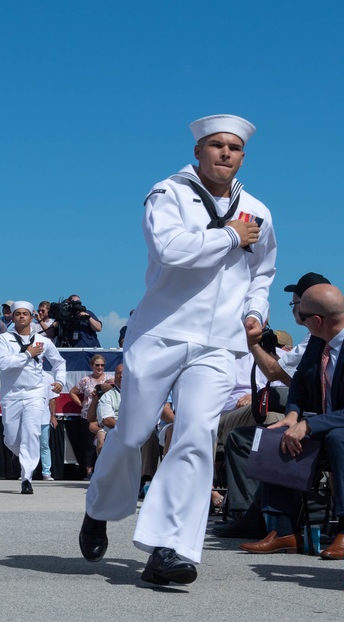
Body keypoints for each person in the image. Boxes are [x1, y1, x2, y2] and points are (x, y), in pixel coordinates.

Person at [79, 114, 276, 587]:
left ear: (243, 156)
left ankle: (168, 549)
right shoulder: (168, 193)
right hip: (160, 333)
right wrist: (229, 236)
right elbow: (170, 249)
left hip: (218, 344)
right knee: (132, 434)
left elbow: (263, 272)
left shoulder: (258, 211)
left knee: (194, 435)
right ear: (198, 152)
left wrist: (256, 312)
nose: (225, 153)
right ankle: (99, 508)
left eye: (233, 147)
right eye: (216, 145)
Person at [238, 284, 344, 559]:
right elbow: (300, 381)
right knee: (279, 434)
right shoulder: (319, 338)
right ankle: (283, 531)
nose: (298, 319)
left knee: (340, 438)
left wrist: (310, 425)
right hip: (329, 423)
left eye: (301, 315)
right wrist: (292, 416)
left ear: (317, 320)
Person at [0, 301, 66, 494]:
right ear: (13, 317)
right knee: (11, 438)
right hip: (11, 394)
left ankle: (26, 477)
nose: (22, 317)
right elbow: (2, 363)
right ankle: (22, 456)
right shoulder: (4, 339)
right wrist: (27, 354)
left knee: (32, 434)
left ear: (31, 317)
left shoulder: (42, 341)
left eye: (25, 313)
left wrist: (60, 381)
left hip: (34, 393)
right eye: (18, 314)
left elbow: (59, 362)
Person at [69, 355, 112, 477]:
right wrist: (80, 403)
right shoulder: (86, 380)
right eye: (97, 365)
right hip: (88, 415)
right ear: (92, 366)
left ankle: (104, 468)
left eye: (102, 365)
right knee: (88, 444)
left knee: (104, 441)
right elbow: (72, 392)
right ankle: (89, 471)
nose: (100, 367)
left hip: (105, 414)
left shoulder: (109, 379)